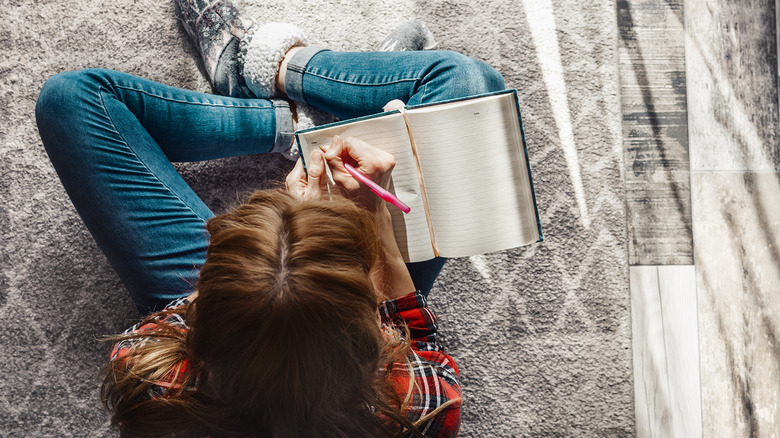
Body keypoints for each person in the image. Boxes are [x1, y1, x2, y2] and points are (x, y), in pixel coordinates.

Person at [34, 1, 506, 436]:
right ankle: (292, 70)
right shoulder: (416, 409)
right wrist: (373, 229)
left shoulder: (151, 379)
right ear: (369, 333)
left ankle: (289, 110)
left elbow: (209, 312)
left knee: (71, 98)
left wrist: (263, 272)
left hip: (264, 315)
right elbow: (418, 338)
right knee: (469, 89)